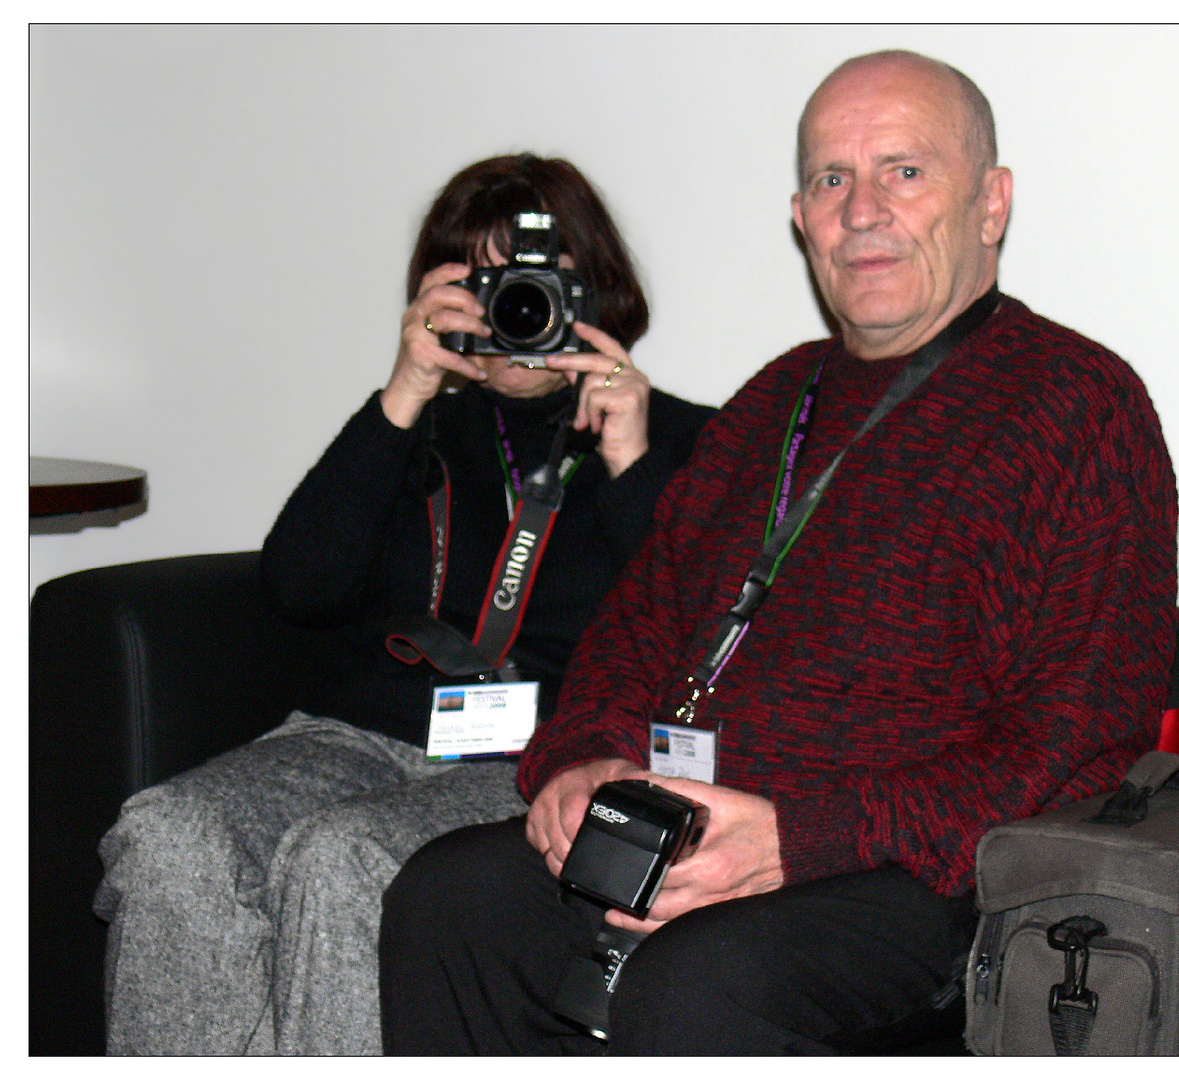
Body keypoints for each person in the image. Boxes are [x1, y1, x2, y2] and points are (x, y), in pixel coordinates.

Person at [377, 51, 1179, 1055]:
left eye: (904, 171)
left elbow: (1080, 740)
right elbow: (635, 627)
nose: (860, 210)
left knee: (699, 983)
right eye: (830, 180)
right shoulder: (771, 400)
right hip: (686, 823)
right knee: (450, 898)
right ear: (799, 216)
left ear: (990, 203)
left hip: (919, 873)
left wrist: (797, 842)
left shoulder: (1076, 406)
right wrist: (582, 760)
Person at [92, 153, 717, 1055]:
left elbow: (706, 636)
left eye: (535, 282)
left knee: (340, 858)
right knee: (170, 833)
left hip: (533, 756)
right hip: (352, 738)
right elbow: (299, 589)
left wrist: (631, 465)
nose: (515, 314)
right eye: (485, 283)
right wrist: (405, 390)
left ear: (596, 289)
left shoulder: (686, 437)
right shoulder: (411, 422)